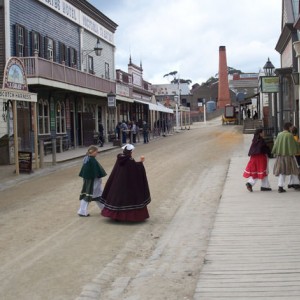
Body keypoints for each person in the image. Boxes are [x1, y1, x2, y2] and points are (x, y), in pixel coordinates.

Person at [100, 144, 151, 222]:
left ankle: (116, 216)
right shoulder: (129, 160)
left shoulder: (120, 158)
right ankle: (129, 217)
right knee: (128, 199)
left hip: (118, 182)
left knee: (117, 198)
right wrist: (141, 163)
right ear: (130, 152)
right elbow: (135, 170)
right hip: (128, 184)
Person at [78, 145, 107, 217]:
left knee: (98, 195)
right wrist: (98, 176)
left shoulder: (87, 159)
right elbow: (95, 171)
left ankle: (104, 209)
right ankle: (82, 211)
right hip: (93, 181)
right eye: (96, 152)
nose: (97, 153)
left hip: (90, 180)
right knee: (88, 195)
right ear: (93, 152)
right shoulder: (91, 160)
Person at [272, 122, 300, 193]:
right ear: (289, 127)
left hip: (280, 156)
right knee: (294, 169)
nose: (291, 128)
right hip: (289, 156)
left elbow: (276, 144)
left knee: (282, 171)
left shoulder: (279, 134)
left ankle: (280, 187)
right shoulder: (289, 135)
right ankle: (296, 184)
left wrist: (274, 151)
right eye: (291, 127)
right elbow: (293, 145)